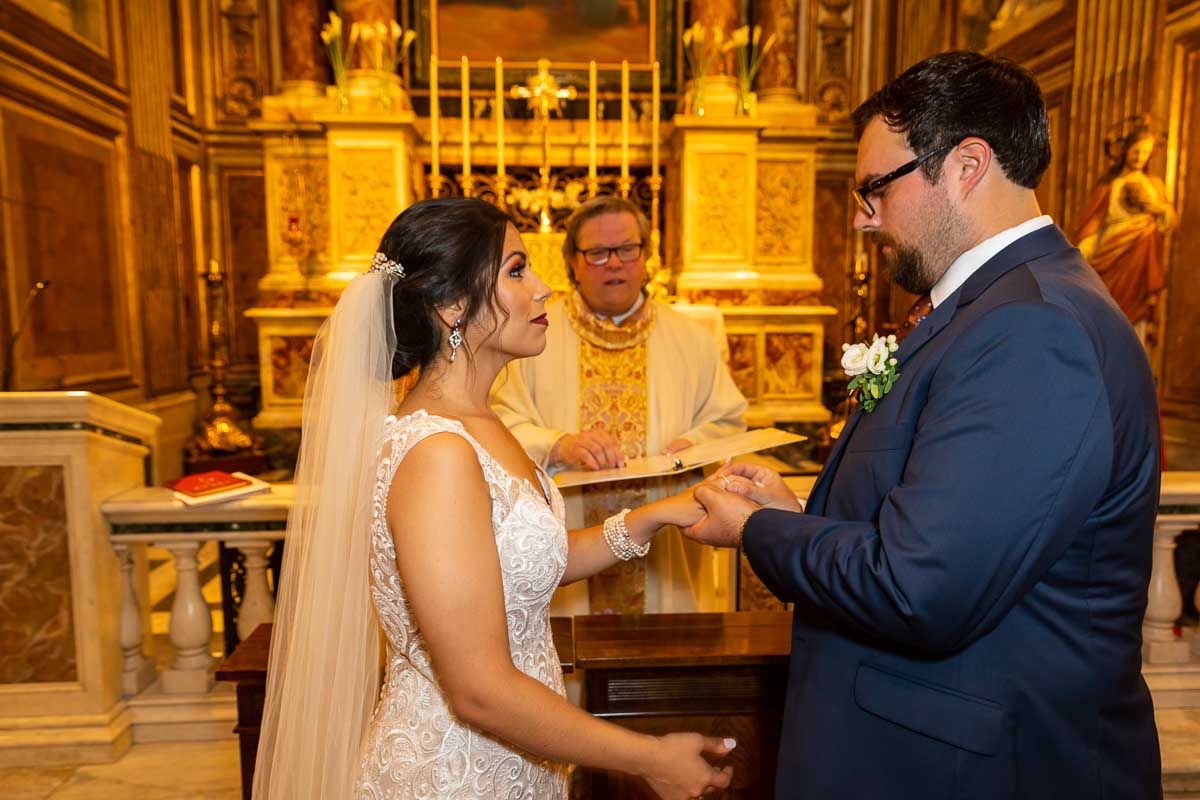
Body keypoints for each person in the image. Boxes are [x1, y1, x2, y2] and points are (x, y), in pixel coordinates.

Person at [683, 51, 1162, 799]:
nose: (862, 215)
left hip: (978, 769)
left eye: (876, 187)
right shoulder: (993, 310)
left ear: (967, 164)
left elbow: (921, 589)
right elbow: (942, 524)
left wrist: (755, 532)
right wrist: (800, 513)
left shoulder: (1035, 329)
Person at [252, 197, 735, 799]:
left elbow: (519, 567)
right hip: (455, 772)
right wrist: (649, 757)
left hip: (519, 760)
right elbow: (478, 689)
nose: (543, 290)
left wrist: (651, 518)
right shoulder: (437, 454)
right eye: (515, 270)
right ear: (453, 306)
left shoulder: (483, 423)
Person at [491, 195, 747, 615]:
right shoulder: (532, 336)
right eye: (597, 253)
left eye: (627, 249)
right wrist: (557, 445)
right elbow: (498, 423)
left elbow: (729, 422)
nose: (614, 263)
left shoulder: (691, 340)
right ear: (572, 262)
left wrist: (694, 445)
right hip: (564, 544)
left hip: (665, 552)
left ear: (646, 256)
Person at [1073, 116, 1176, 332]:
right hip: (1110, 255)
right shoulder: (1111, 185)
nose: (1140, 157)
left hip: (1139, 261)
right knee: (1105, 314)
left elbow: (1168, 220)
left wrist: (1157, 208)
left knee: (1134, 323)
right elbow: (1094, 223)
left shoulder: (1154, 185)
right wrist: (1084, 249)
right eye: (1136, 151)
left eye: (1145, 153)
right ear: (1126, 150)